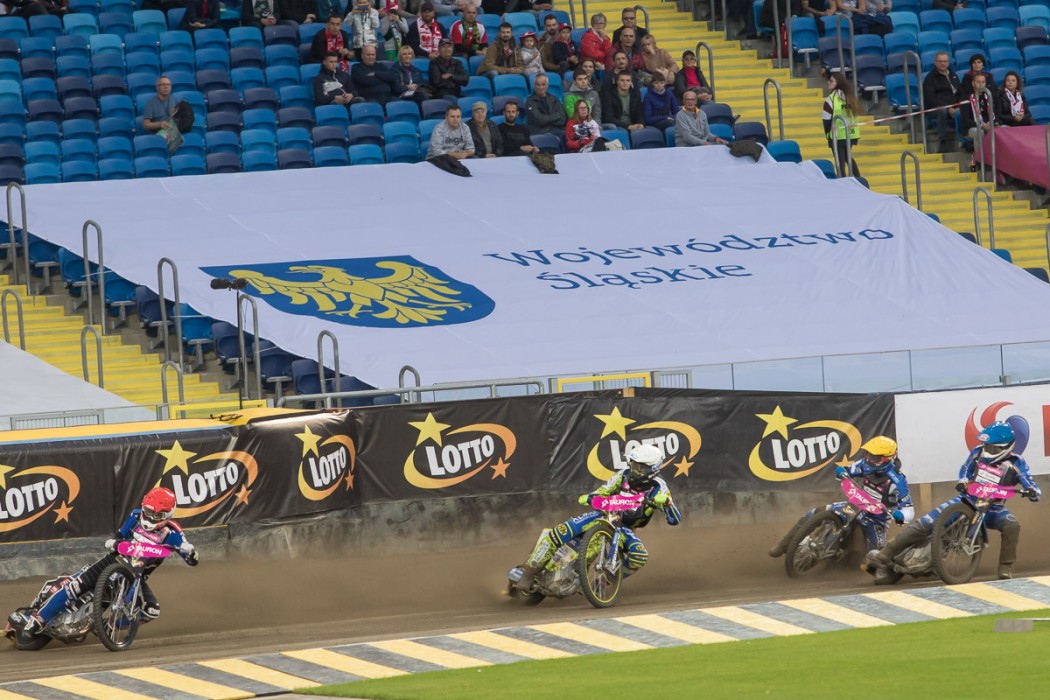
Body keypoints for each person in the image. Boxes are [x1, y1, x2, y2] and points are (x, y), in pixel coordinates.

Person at [7, 488, 199, 636]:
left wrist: (190, 552)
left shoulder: (173, 533)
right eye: (148, 511)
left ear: (167, 515)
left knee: (151, 610)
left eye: (157, 515)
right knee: (75, 586)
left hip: (136, 576)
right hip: (113, 561)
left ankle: (109, 627)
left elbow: (191, 560)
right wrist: (114, 542)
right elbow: (119, 536)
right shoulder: (135, 516)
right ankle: (37, 619)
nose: (150, 517)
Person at [866, 421, 1040, 580]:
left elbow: (1031, 484)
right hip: (966, 501)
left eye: (992, 448)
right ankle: (885, 554)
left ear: (1006, 448)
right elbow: (966, 469)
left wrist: (1032, 491)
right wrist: (963, 481)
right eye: (986, 445)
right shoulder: (978, 452)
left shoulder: (1017, 463)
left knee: (1012, 525)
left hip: (993, 509)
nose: (987, 450)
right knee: (926, 522)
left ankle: (1006, 567)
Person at [518, 445, 681, 589]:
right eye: (633, 464)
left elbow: (674, 519)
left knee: (640, 556)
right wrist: (592, 497)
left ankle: (606, 581)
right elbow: (604, 490)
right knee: (560, 531)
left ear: (653, 469)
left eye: (641, 467)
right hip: (604, 514)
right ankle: (528, 572)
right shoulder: (623, 475)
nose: (635, 470)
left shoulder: (659, 487)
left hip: (624, 527)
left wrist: (667, 504)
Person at [768, 437, 913, 561]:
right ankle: (784, 544)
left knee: (877, 556)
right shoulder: (865, 463)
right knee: (815, 512)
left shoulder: (898, 482)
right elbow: (849, 469)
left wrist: (901, 516)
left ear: (888, 458)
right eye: (868, 454)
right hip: (857, 503)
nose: (868, 459)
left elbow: (908, 508)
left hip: (877, 518)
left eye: (874, 457)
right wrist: (842, 472)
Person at [823, 71, 861, 177]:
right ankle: (858, 179)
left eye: (831, 81)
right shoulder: (851, 97)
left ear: (838, 83)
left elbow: (826, 120)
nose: (828, 83)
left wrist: (828, 134)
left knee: (840, 162)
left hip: (837, 134)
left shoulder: (831, 99)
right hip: (851, 133)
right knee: (848, 158)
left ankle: (843, 182)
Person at [922, 51, 961, 153]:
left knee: (966, 109)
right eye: (940, 61)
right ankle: (943, 141)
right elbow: (931, 98)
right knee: (942, 111)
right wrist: (948, 108)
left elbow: (961, 93)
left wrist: (958, 107)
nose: (943, 63)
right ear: (935, 62)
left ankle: (965, 140)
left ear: (948, 62)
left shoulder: (954, 75)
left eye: (945, 61)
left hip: (955, 106)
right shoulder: (930, 78)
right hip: (935, 108)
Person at [962, 72, 994, 168]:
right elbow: (965, 120)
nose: (981, 84)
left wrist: (991, 123)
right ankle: (980, 160)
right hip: (972, 127)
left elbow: (994, 114)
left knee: (1002, 130)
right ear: (973, 83)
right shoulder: (966, 98)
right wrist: (981, 125)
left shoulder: (988, 97)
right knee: (979, 132)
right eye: (978, 82)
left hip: (987, 125)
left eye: (983, 82)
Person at [526, 73, 567, 137]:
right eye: (538, 85)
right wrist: (556, 116)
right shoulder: (530, 101)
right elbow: (540, 120)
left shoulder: (554, 98)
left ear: (547, 85)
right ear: (534, 85)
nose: (541, 87)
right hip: (540, 132)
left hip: (556, 129)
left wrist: (547, 119)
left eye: (543, 84)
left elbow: (563, 119)